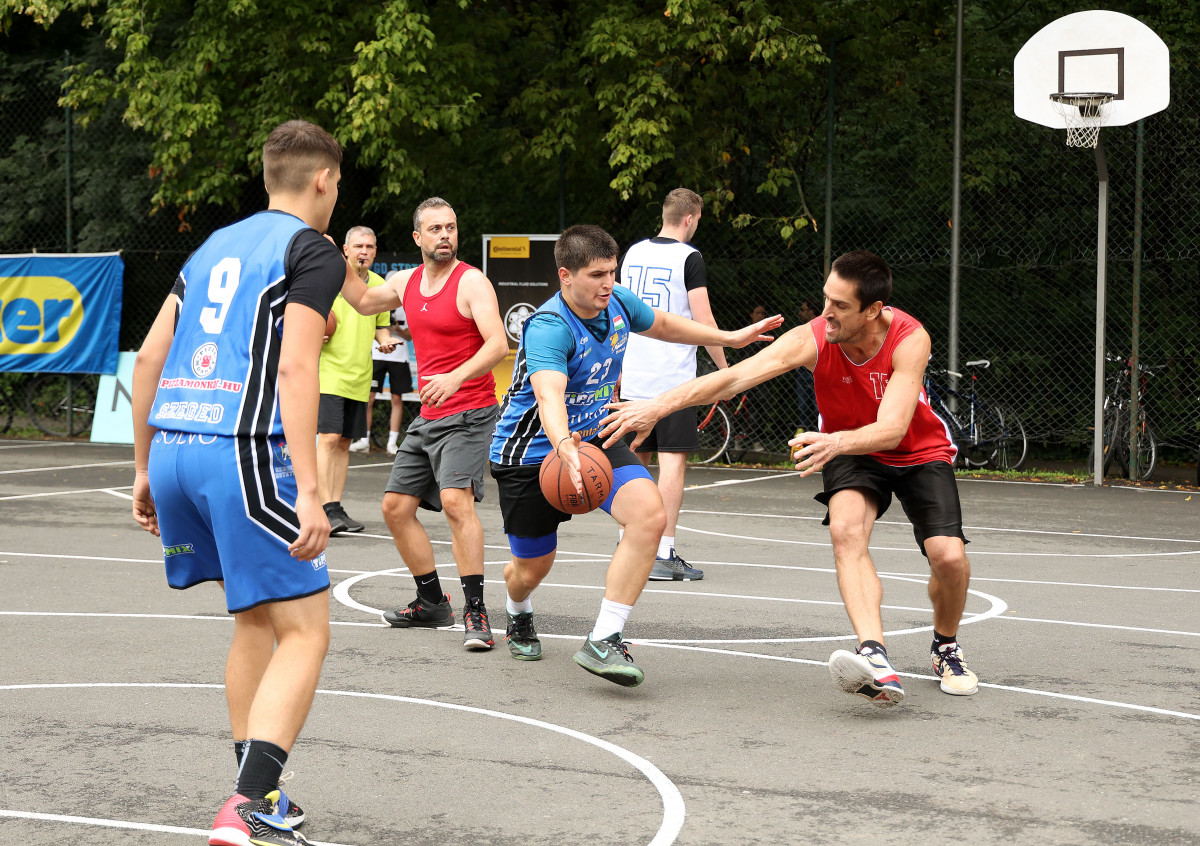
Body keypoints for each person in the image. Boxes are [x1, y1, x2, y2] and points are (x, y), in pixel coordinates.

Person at [600, 250, 979, 707]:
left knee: (949, 558)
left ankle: (945, 645)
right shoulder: (814, 338)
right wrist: (658, 406)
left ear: (873, 310)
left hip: (913, 450)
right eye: (825, 299)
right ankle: (875, 656)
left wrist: (835, 443)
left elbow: (893, 427)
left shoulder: (909, 338)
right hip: (845, 446)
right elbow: (734, 379)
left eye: (840, 305)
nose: (826, 313)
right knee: (845, 530)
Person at [130, 119, 351, 846]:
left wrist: (142, 468)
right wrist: (310, 489)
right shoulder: (310, 251)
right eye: (338, 180)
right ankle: (249, 805)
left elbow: (149, 359)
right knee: (307, 631)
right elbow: (294, 368)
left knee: (256, 620)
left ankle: (263, 793)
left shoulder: (211, 247)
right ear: (323, 179)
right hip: (245, 454)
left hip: (176, 450)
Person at [488, 224, 781, 686]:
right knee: (531, 568)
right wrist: (563, 444)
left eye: (612, 271)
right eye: (596, 274)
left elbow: (662, 323)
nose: (608, 282)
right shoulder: (549, 327)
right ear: (565, 276)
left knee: (650, 515)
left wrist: (728, 338)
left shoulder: (617, 300)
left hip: (598, 438)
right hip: (534, 454)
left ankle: (604, 638)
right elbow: (548, 394)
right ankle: (517, 608)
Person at [339, 197, 508, 651]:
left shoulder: (471, 282)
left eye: (450, 227)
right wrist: (329, 257)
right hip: (430, 415)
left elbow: (498, 345)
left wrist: (454, 377)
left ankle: (476, 611)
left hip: (470, 411)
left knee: (456, 502)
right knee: (395, 509)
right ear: (418, 238)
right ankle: (432, 601)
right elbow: (358, 301)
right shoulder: (404, 281)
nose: (445, 236)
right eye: (435, 229)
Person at [618, 187, 727, 582]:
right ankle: (662, 551)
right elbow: (704, 322)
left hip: (634, 371)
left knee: (635, 458)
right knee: (672, 461)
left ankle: (629, 541)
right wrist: (724, 371)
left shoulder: (632, 253)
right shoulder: (689, 257)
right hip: (672, 378)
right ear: (690, 219)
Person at [317, 226, 394, 533]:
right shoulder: (329, 279)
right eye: (359, 246)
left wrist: (385, 340)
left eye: (370, 246)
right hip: (329, 374)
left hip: (360, 376)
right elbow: (307, 315)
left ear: (376, 252)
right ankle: (322, 508)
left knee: (345, 443)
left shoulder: (377, 284)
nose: (364, 251)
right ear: (346, 250)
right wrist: (315, 330)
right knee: (329, 439)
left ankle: (335, 507)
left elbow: (381, 324)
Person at [352, 298, 412, 456]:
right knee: (369, 396)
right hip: (377, 354)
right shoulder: (378, 303)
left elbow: (409, 336)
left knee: (397, 398)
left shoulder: (406, 307)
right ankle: (364, 440)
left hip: (399, 357)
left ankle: (392, 443)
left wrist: (397, 329)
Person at [795, 298, 819, 431]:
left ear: (811, 311)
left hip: (816, 371)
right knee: (802, 407)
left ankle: (821, 433)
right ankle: (802, 438)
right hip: (802, 371)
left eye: (803, 310)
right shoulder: (802, 328)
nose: (800, 313)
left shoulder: (821, 326)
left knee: (818, 407)